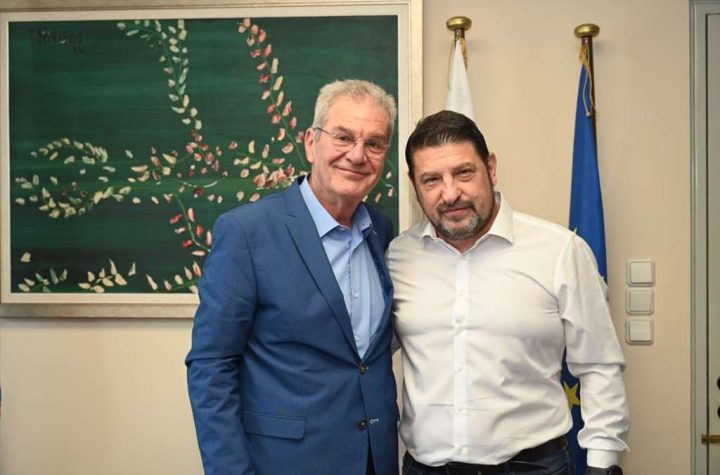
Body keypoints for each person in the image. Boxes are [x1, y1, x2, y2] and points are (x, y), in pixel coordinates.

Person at [388, 110, 630, 475]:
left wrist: (601, 464)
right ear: (414, 184)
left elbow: (599, 365)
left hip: (534, 466)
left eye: (463, 173)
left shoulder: (560, 251)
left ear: (491, 168)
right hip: (426, 468)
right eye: (432, 179)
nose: (450, 193)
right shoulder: (398, 257)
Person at [186, 79, 400, 475]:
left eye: (374, 143)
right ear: (311, 142)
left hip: (376, 460)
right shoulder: (246, 232)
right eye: (343, 137)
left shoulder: (381, 232)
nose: (357, 155)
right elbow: (211, 367)